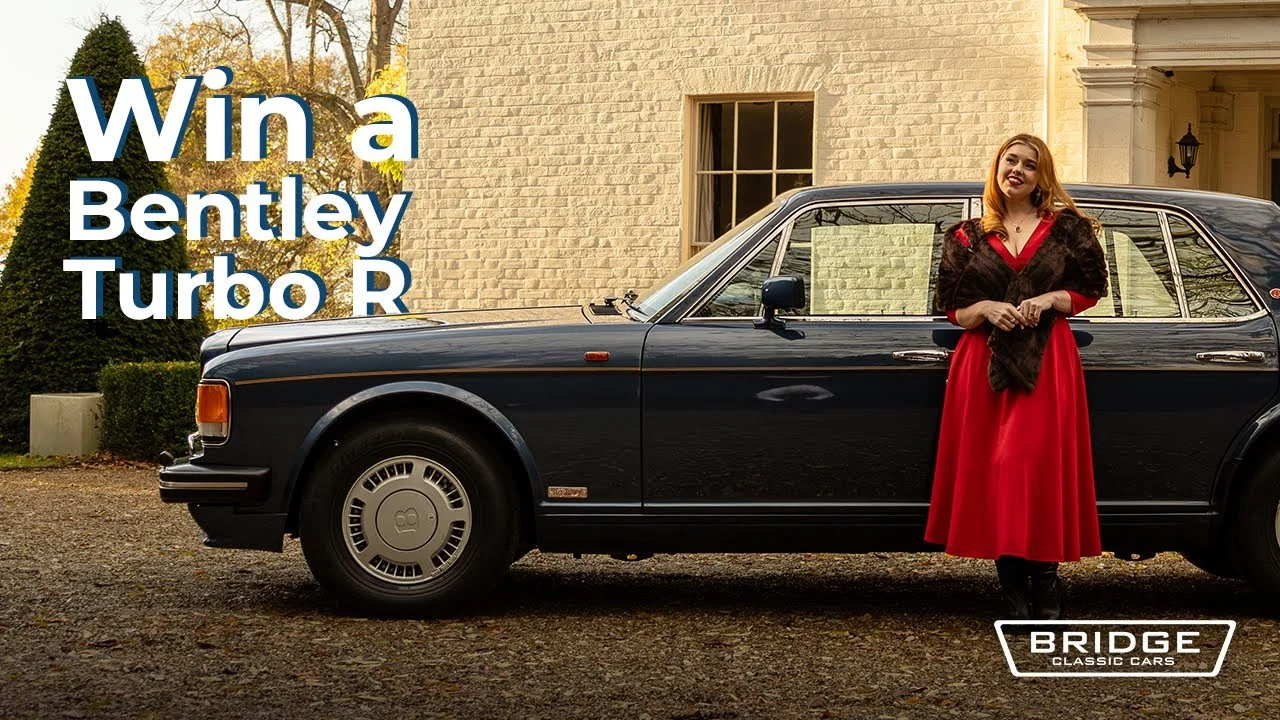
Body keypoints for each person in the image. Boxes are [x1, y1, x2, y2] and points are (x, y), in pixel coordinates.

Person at [926, 134, 1109, 624]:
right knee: (996, 473)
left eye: (1030, 165)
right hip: (981, 363)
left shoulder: (1069, 229)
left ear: (1040, 177)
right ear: (997, 167)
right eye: (1011, 161)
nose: (1018, 170)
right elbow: (951, 307)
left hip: (1047, 361)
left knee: (1033, 466)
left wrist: (1049, 300)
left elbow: (1092, 289)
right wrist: (986, 307)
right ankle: (1012, 589)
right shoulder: (964, 236)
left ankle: (1046, 580)